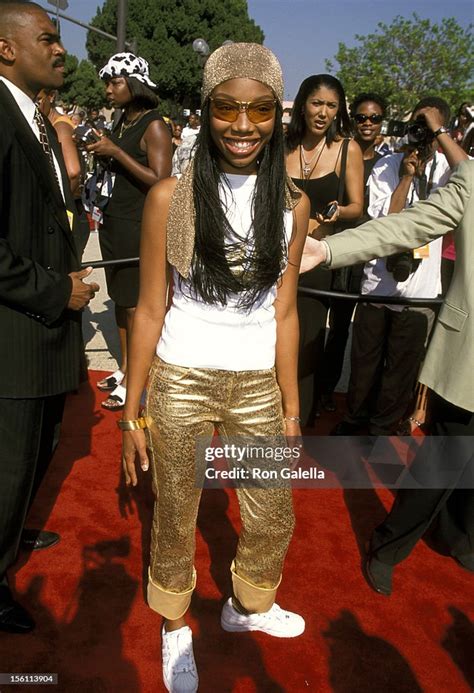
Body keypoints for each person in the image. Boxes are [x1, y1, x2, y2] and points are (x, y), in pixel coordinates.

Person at [121, 43, 309, 692]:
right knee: (174, 512)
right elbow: (148, 310)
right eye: (227, 107)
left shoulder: (293, 203)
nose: (243, 124)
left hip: (258, 381)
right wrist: (132, 410)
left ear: (275, 117)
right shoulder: (169, 197)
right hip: (181, 376)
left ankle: (245, 604)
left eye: (259, 109)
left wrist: (290, 406)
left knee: (272, 512)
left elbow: (285, 314)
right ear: (207, 108)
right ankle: (174, 624)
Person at [302, 159, 474, 592]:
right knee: (446, 457)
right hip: (469, 356)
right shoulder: (471, 176)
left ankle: (458, 537)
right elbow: (410, 225)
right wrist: (329, 250)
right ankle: (389, 544)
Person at [0, 1, 99, 633]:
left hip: (42, 336)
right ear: (6, 49)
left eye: (60, 39)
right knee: (8, 467)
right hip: (15, 335)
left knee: (34, 454)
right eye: (47, 38)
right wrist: (51, 290)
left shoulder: (34, 118)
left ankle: (7, 539)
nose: (61, 50)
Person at [331, 97, 468, 437]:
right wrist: (406, 178)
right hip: (378, 282)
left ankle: (383, 425)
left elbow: (469, 174)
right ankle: (356, 418)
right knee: (365, 360)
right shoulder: (386, 165)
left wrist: (440, 133)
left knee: (401, 367)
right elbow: (387, 222)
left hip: (422, 288)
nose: (420, 134)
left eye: (428, 127)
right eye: (417, 125)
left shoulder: (452, 170)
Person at [87, 52, 172, 409]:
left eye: (115, 82)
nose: (108, 89)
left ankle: (140, 379)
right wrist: (104, 151)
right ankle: (126, 368)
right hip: (114, 222)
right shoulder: (123, 119)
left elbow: (162, 180)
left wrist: (115, 153)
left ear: (134, 84)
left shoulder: (154, 124)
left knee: (138, 305)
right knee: (122, 302)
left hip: (139, 225)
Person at [285, 74, 363, 425]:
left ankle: (297, 424)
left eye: (332, 106)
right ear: (303, 103)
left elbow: (357, 206)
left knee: (304, 349)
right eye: (317, 103)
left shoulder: (348, 148)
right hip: (274, 259)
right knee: (270, 346)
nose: (323, 112)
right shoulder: (280, 145)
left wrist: (338, 210)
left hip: (315, 261)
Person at [319, 92, 388, 411]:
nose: (368, 124)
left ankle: (328, 390)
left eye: (374, 118)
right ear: (352, 119)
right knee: (320, 320)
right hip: (329, 243)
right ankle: (313, 388)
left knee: (344, 327)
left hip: (365, 253)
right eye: (361, 117)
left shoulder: (390, 161)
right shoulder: (339, 151)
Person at [38, 88, 89, 256]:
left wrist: (58, 205)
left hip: (70, 212)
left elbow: (73, 172)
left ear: (51, 97)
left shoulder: (60, 126)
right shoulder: (44, 123)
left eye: (38, 100)